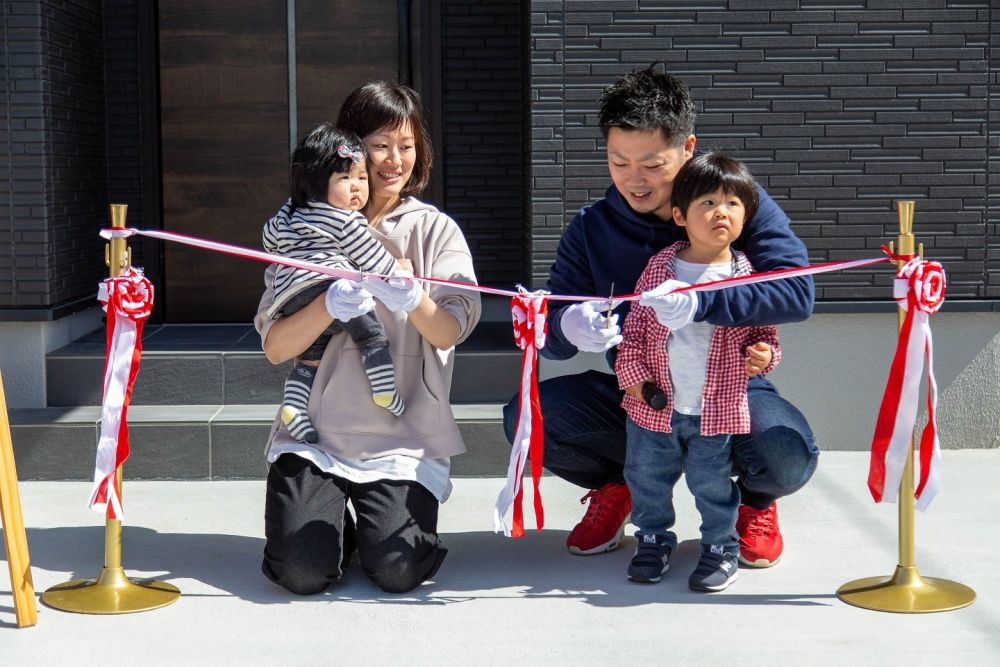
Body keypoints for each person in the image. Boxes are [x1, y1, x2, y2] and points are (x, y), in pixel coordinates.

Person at [503, 65, 818, 568]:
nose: (635, 179)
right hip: (639, 390)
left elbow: (797, 293)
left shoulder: (734, 206)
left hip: (726, 386)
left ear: (687, 146)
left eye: (652, 164)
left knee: (787, 451)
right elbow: (551, 335)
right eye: (618, 161)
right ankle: (619, 485)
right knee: (527, 417)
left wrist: (704, 302)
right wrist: (569, 323)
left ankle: (754, 503)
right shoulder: (592, 227)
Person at [255, 81, 481, 595]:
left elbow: (451, 326)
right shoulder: (303, 227)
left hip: (401, 435)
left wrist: (412, 298)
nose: (394, 160)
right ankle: (330, 524)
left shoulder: (435, 230)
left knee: (398, 570)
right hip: (317, 432)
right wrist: (325, 305)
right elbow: (276, 347)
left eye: (407, 145)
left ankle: (364, 526)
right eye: (380, 144)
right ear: (349, 147)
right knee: (302, 570)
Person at [617, 152, 780, 591]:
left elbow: (765, 337)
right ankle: (651, 539)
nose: (720, 213)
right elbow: (632, 333)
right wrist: (633, 381)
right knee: (647, 477)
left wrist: (764, 357)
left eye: (732, 203)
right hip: (654, 407)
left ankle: (720, 546)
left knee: (712, 484)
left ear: (746, 215)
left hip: (716, 410)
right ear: (680, 215)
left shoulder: (746, 276)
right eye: (707, 203)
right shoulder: (660, 269)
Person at [264, 124, 406, 447]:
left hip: (289, 297)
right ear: (317, 183)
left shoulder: (290, 213)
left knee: (310, 355)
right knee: (370, 332)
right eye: (345, 178)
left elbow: (268, 238)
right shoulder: (343, 220)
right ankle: (384, 388)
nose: (357, 187)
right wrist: (394, 275)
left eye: (361, 177)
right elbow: (370, 255)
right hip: (328, 286)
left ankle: (295, 406)